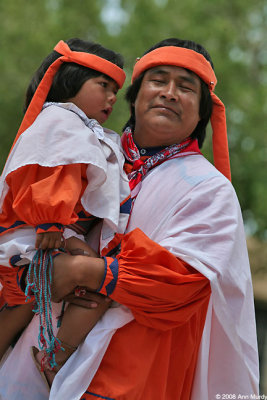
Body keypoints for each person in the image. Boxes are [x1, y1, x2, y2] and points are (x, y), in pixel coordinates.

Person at [0, 38, 259, 400]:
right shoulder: (84, 151)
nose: (169, 93)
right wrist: (33, 270)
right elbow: (20, 218)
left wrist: (83, 271)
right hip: (31, 358)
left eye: (185, 87)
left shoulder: (209, 188)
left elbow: (183, 283)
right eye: (158, 81)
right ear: (133, 97)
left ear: (202, 113)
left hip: (134, 373)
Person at [0, 38, 131, 387]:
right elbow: (53, 174)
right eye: (103, 85)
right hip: (34, 234)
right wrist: (51, 220)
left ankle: (53, 357)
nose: (112, 98)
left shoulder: (72, 125)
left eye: (115, 91)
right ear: (69, 81)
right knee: (100, 284)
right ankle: (56, 358)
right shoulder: (61, 122)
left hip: (50, 233)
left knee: (97, 281)